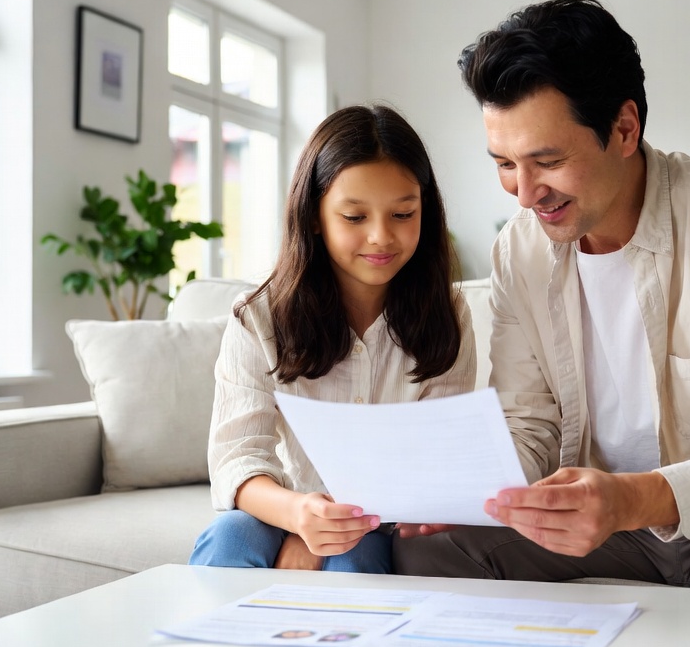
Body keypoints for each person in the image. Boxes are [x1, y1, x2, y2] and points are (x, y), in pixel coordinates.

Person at [393, 0, 690, 593]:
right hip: (603, 526)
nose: (524, 193)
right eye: (505, 164)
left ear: (624, 128)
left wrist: (632, 500)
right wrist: (472, 489)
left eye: (547, 161)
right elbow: (530, 424)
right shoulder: (518, 251)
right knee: (423, 549)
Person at [189, 104, 476, 573]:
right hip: (286, 508)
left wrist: (323, 539)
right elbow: (237, 460)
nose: (381, 236)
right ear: (315, 216)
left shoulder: (448, 315)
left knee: (354, 555)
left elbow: (435, 462)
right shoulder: (258, 317)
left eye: (403, 213)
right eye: (355, 217)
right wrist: (299, 519)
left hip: (381, 522)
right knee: (231, 535)